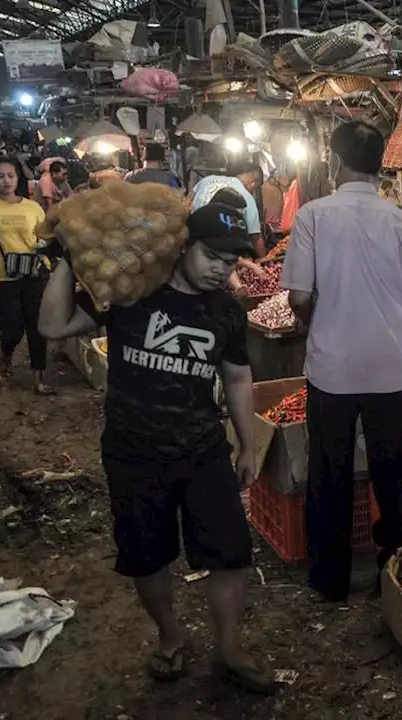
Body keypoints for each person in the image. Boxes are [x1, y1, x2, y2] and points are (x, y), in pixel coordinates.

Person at [36, 203, 275, 693]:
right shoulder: (132, 293)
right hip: (133, 451)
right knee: (147, 555)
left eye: (230, 261)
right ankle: (169, 636)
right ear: (182, 246)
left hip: (203, 449)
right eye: (211, 255)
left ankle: (229, 647)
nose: (220, 269)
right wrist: (65, 255)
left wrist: (248, 444)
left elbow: (236, 375)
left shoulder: (226, 311)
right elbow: (53, 327)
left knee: (230, 552)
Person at [282, 121, 402, 602]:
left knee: (330, 473)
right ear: (378, 166)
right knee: (396, 471)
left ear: (335, 161)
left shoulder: (313, 217)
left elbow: (299, 295)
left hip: (333, 370)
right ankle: (399, 574)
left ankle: (330, 581)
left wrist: (314, 318)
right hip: (393, 369)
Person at [0, 157, 52, 394]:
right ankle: (6, 353)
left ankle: (39, 379)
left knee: (38, 327)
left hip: (35, 274)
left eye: (11, 176)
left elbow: (44, 237)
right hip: (2, 277)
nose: (6, 181)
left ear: (18, 178)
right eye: (0, 176)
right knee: (13, 329)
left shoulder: (33, 207)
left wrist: (46, 244)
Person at [191, 172, 265, 256]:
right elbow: (256, 239)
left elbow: (186, 202)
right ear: (252, 183)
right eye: (255, 188)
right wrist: (262, 259)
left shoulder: (206, 180)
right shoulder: (249, 200)